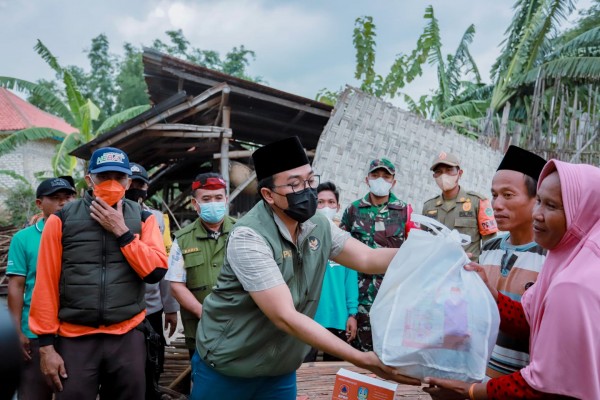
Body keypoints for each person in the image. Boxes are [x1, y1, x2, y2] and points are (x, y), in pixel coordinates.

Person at [192, 137, 420, 399]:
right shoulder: (249, 237)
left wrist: (424, 253)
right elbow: (284, 315)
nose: (307, 190)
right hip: (229, 367)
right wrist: (363, 359)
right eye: (294, 184)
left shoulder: (318, 226)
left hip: (280, 368)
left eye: (310, 180)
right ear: (268, 195)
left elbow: (367, 258)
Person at [424, 159, 600, 399]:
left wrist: (470, 391)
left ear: (584, 211)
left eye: (552, 205)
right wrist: (490, 293)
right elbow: (528, 318)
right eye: (540, 201)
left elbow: (544, 384)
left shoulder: (573, 285)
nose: (537, 214)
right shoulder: (562, 259)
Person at [29, 147, 168, 399]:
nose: (112, 183)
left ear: (128, 181)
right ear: (89, 178)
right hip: (75, 339)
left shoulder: (144, 219)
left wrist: (122, 232)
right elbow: (46, 284)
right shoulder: (61, 220)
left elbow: (155, 271)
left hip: (127, 336)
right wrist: (46, 347)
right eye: (105, 177)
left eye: (119, 177)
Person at [478, 146, 547, 378]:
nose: (496, 205)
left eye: (508, 195)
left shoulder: (550, 259)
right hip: (478, 381)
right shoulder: (488, 249)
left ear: (537, 200)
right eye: (494, 195)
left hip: (521, 386)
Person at [165, 172, 236, 391]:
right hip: (200, 329)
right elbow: (176, 286)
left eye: (218, 197)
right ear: (195, 204)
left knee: (239, 382)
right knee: (204, 384)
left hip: (240, 327)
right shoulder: (183, 239)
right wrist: (203, 312)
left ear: (226, 199)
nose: (213, 203)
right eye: (206, 199)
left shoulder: (245, 232)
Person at [7, 177, 76, 400]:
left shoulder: (82, 235)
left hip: (74, 329)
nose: (63, 203)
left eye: (68, 197)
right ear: (39, 204)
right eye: (55, 199)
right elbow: (16, 285)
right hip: (34, 330)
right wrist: (16, 331)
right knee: (34, 392)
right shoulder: (24, 238)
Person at [339, 157, 414, 352]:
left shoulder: (405, 211)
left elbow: (413, 252)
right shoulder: (353, 210)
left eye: (385, 176)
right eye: (375, 175)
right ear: (367, 179)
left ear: (393, 181)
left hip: (391, 295)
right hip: (359, 296)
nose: (380, 179)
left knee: (389, 351)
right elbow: (340, 249)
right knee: (359, 356)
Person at [125, 163, 179, 387]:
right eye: (131, 182)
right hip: (122, 310)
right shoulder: (104, 214)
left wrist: (171, 307)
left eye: (140, 183)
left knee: (154, 362)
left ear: (147, 187)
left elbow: (164, 265)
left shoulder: (156, 218)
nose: (136, 187)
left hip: (152, 307)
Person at [304, 181, 358, 362]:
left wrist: (352, 314)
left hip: (338, 318)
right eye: (320, 202)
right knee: (302, 372)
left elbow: (350, 280)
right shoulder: (303, 237)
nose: (326, 207)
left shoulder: (346, 241)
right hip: (308, 318)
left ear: (338, 206)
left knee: (336, 376)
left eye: (331, 202)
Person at [422, 151, 498, 260]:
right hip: (435, 272)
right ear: (434, 176)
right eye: (439, 171)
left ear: (460, 173)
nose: (444, 175)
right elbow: (423, 244)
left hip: (466, 272)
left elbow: (490, 244)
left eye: (449, 170)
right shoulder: (429, 207)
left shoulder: (478, 202)